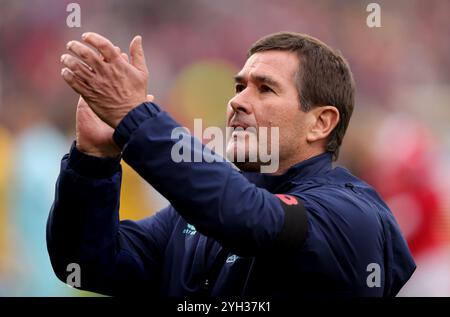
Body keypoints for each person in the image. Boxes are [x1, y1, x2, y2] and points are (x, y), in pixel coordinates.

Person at [47, 31, 415, 297]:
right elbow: (84, 265)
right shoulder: (191, 218)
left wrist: (135, 118)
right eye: (239, 87)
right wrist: (94, 159)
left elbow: (251, 219)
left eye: (265, 88)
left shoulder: (352, 213)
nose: (237, 101)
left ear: (321, 122)